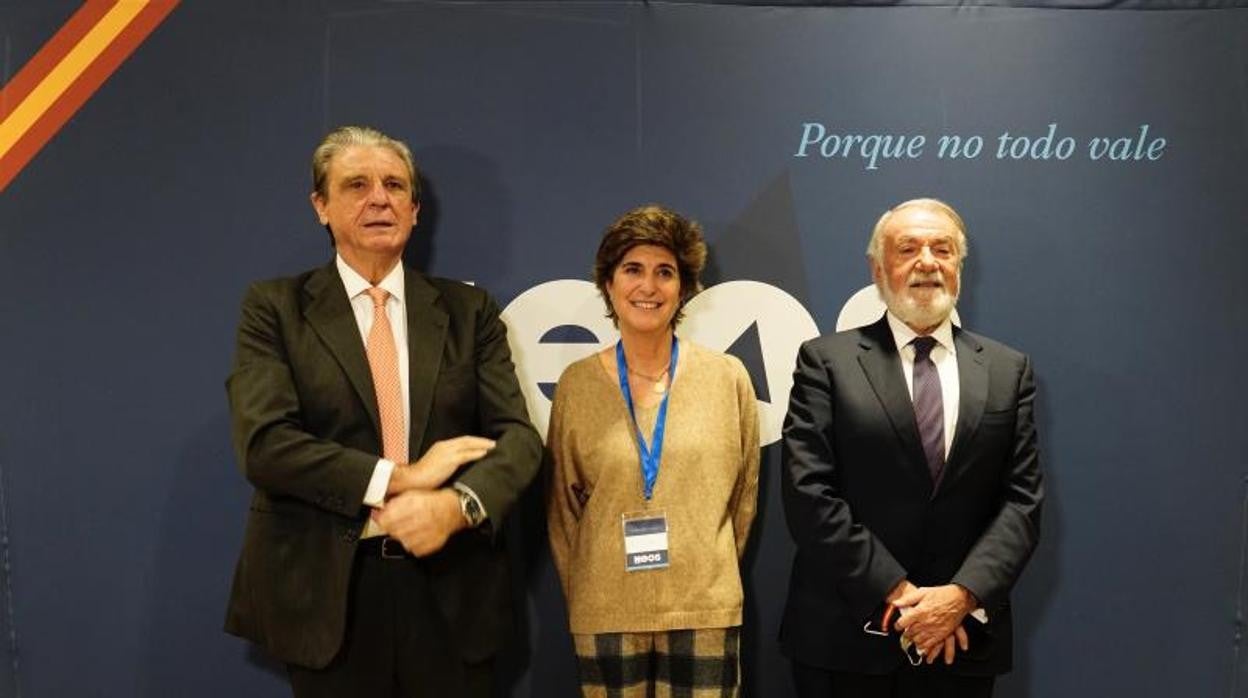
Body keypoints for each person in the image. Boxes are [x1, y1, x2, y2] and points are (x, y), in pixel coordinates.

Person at [223, 125, 542, 697]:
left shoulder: (469, 311)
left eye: (395, 185)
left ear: (415, 211)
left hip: (452, 591)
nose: (379, 198)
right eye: (356, 185)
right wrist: (401, 477)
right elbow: (264, 444)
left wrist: (457, 506)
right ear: (320, 206)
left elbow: (517, 438)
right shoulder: (274, 309)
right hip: (330, 598)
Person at [779, 198, 1043, 697]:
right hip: (845, 642)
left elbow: (1022, 504)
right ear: (878, 268)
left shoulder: (1010, 371)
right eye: (908, 249)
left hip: (961, 640)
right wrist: (899, 596)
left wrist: (959, 599)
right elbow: (808, 493)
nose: (927, 261)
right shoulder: (825, 363)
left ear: (959, 267)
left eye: (941, 249)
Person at [546, 205, 760, 697]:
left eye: (665, 272)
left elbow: (742, 501)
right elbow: (562, 510)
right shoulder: (577, 384)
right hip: (606, 610)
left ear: (683, 288)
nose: (648, 287)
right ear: (608, 284)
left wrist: (701, 563)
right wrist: (591, 589)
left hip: (704, 607)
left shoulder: (728, 378)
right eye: (632, 270)